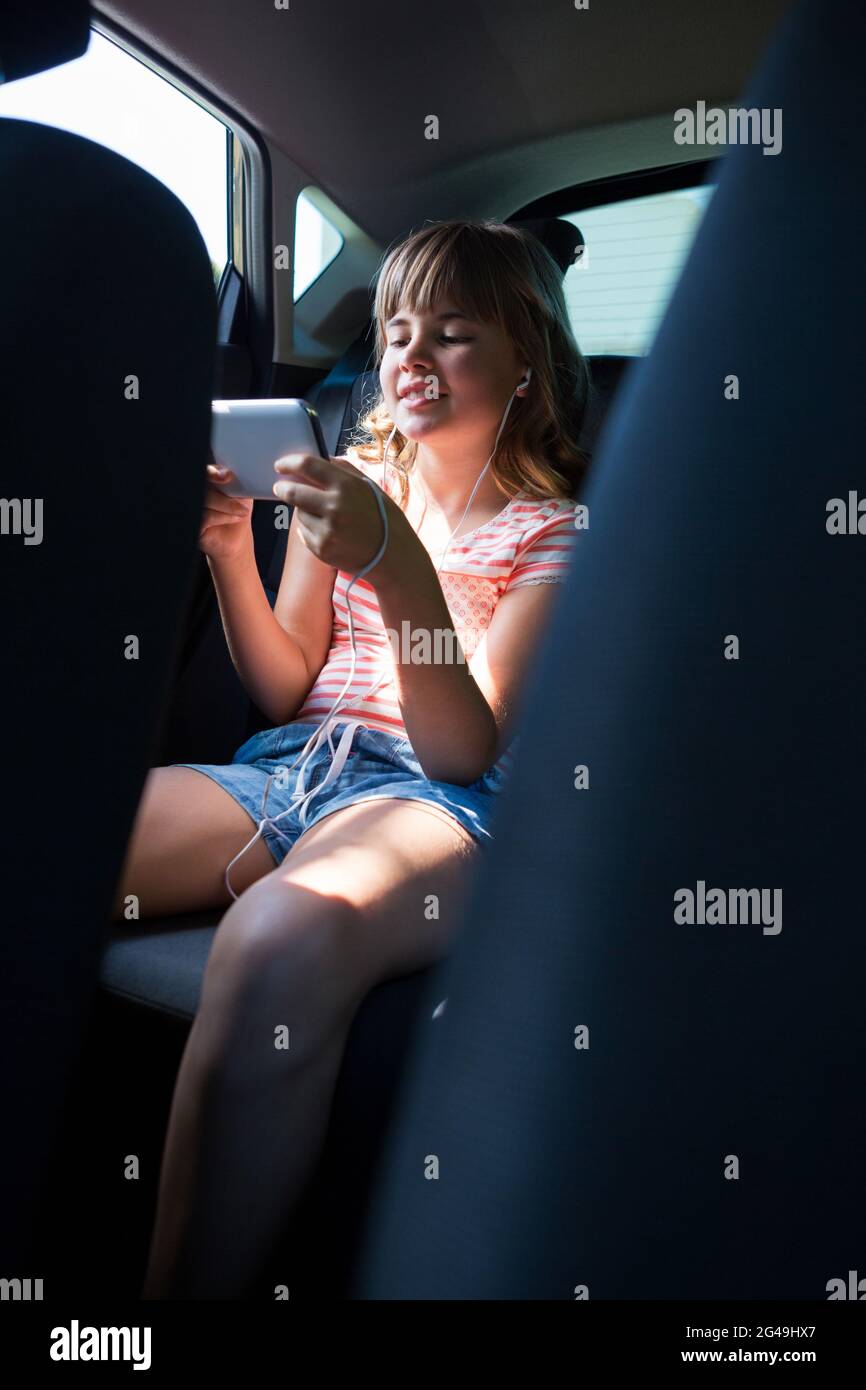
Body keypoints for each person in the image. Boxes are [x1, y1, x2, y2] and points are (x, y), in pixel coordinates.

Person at [122, 219, 590, 1298]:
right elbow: (287, 683)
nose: (412, 355)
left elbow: (464, 745)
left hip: (440, 799)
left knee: (283, 931)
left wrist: (398, 562)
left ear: (526, 364)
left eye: (455, 333)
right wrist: (234, 551)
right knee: (55, 845)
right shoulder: (353, 485)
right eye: (396, 330)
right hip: (292, 765)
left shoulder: (555, 532)